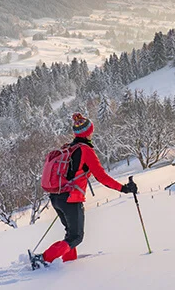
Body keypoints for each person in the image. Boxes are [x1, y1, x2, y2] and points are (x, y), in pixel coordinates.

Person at [35, 113, 137, 265]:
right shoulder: (86, 151)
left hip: (56, 197)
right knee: (76, 237)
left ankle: (69, 263)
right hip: (70, 198)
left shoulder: (70, 148)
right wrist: (123, 189)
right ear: (89, 132)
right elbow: (101, 177)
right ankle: (43, 259)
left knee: (71, 235)